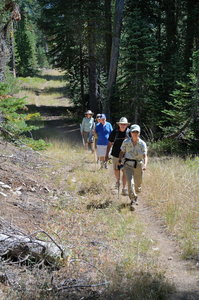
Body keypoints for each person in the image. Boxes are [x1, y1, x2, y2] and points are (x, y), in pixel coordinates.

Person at [118, 124, 148, 208]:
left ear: (139, 133)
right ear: (130, 133)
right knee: (130, 182)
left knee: (138, 185)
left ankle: (136, 194)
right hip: (128, 164)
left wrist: (145, 165)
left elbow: (145, 156)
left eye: (136, 132)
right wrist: (120, 160)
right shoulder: (126, 142)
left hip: (138, 165)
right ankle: (133, 200)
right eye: (133, 131)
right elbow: (122, 152)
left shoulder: (142, 144)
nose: (135, 133)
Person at [105, 117, 130, 196]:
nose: (123, 125)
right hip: (115, 155)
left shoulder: (129, 133)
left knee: (125, 172)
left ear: (127, 125)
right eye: (121, 124)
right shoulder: (114, 132)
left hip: (126, 156)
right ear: (119, 124)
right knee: (116, 170)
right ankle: (118, 181)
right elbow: (109, 143)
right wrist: (106, 154)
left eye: (124, 124)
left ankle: (124, 188)